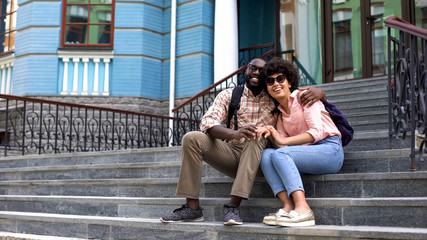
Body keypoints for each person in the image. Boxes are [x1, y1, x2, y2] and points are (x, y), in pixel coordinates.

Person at [160, 57, 325, 226]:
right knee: (192, 138)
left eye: (262, 71)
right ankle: (192, 208)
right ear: (246, 71)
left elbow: (297, 96)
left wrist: (321, 93)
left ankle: (233, 206)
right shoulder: (230, 95)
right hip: (231, 154)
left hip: (261, 161)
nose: (256, 73)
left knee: (257, 135)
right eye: (252, 68)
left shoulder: (275, 95)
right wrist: (234, 134)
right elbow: (208, 122)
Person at [256, 57, 344, 227]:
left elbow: (316, 132)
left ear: (289, 82)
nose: (276, 83)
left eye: (280, 78)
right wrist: (272, 133)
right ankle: (288, 206)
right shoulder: (281, 115)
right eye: (270, 81)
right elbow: (282, 147)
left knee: (280, 153)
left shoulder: (305, 97)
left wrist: (281, 139)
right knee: (267, 154)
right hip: (307, 153)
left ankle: (303, 209)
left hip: (330, 150)